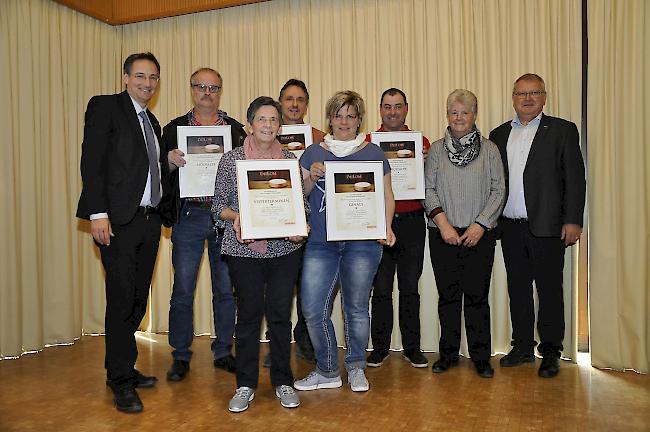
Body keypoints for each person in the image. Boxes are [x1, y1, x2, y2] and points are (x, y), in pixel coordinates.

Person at [76, 52, 172, 413]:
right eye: (141, 76)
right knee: (120, 300)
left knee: (136, 299)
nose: (147, 83)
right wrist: (98, 213)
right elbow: (93, 161)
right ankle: (120, 381)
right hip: (116, 222)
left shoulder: (153, 122)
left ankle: (123, 367)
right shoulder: (105, 107)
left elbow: (147, 169)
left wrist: (170, 162)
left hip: (149, 222)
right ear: (126, 77)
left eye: (153, 78)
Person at [294, 90, 396, 393]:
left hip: (363, 242)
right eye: (339, 115)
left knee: (356, 309)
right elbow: (298, 196)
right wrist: (311, 177)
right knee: (312, 310)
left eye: (350, 115)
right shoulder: (313, 152)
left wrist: (386, 226)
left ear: (359, 120)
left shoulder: (374, 153)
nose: (344, 121)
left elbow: (387, 195)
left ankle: (355, 368)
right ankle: (326, 370)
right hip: (321, 243)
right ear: (330, 118)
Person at [213, 96, 307, 412]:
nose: (268, 125)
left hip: (284, 250)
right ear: (250, 125)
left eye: (273, 120)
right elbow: (218, 208)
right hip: (243, 250)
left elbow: (301, 207)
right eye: (262, 119)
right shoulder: (231, 160)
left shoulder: (291, 161)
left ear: (280, 126)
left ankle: (282, 381)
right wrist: (236, 217)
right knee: (250, 315)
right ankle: (245, 384)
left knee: (280, 316)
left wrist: (299, 225)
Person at [489, 73, 586, 378]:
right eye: (521, 94)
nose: (527, 98)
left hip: (548, 227)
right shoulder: (499, 134)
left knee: (549, 291)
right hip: (510, 227)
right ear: (513, 98)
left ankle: (551, 351)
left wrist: (573, 220)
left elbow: (575, 178)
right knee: (517, 289)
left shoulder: (562, 130)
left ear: (544, 96)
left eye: (534, 93)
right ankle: (521, 347)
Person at [162, 68, 246, 381]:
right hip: (190, 216)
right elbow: (158, 172)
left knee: (226, 290)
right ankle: (180, 355)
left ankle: (224, 350)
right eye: (201, 86)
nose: (207, 92)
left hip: (226, 218)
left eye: (214, 87)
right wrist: (168, 161)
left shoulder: (236, 130)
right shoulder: (174, 129)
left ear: (220, 91)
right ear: (192, 89)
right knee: (182, 289)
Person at [424, 89, 505, 378]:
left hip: (478, 236)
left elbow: (498, 190)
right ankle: (448, 355)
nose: (459, 117)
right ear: (447, 115)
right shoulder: (434, 150)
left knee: (477, 297)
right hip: (442, 234)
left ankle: (481, 357)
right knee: (447, 297)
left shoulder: (490, 149)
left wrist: (480, 224)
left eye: (465, 112)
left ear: (474, 116)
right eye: (454, 112)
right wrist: (444, 225)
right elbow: (428, 189)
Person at [366, 88, 431, 369]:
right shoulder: (368, 142)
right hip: (380, 222)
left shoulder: (422, 143)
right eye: (387, 107)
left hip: (413, 221)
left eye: (398, 106)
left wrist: (425, 162)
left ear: (407, 109)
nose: (393, 112)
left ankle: (412, 348)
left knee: (409, 287)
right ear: (380, 109)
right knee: (380, 289)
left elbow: (431, 182)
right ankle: (379, 348)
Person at [262, 79, 323, 368]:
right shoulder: (264, 136)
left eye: (300, 99)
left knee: (306, 286)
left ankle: (304, 339)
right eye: (289, 99)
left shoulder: (320, 137)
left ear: (306, 104)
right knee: (277, 288)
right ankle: (276, 347)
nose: (294, 104)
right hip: (274, 218)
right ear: (280, 102)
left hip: (310, 221)